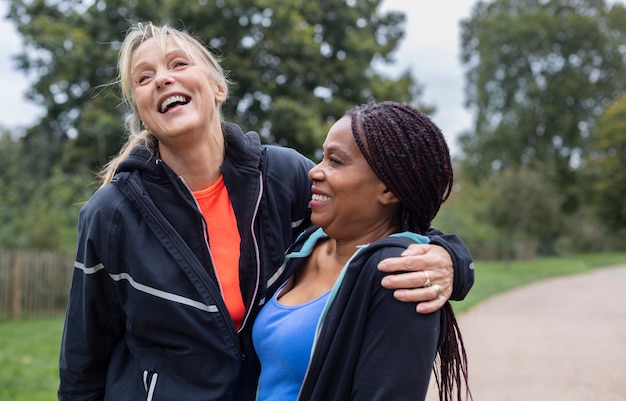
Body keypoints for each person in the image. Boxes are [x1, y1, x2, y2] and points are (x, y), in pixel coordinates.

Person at [57, 22, 474, 401]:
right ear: (142, 111)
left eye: (178, 64)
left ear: (217, 87)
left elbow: (376, 210)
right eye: (143, 79)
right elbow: (82, 364)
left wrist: (449, 259)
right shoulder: (111, 214)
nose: (161, 79)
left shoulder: (283, 175)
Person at [253, 101, 472, 401]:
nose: (314, 172)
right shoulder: (305, 245)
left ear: (388, 189)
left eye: (336, 161)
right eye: (323, 157)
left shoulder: (401, 275)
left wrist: (454, 263)